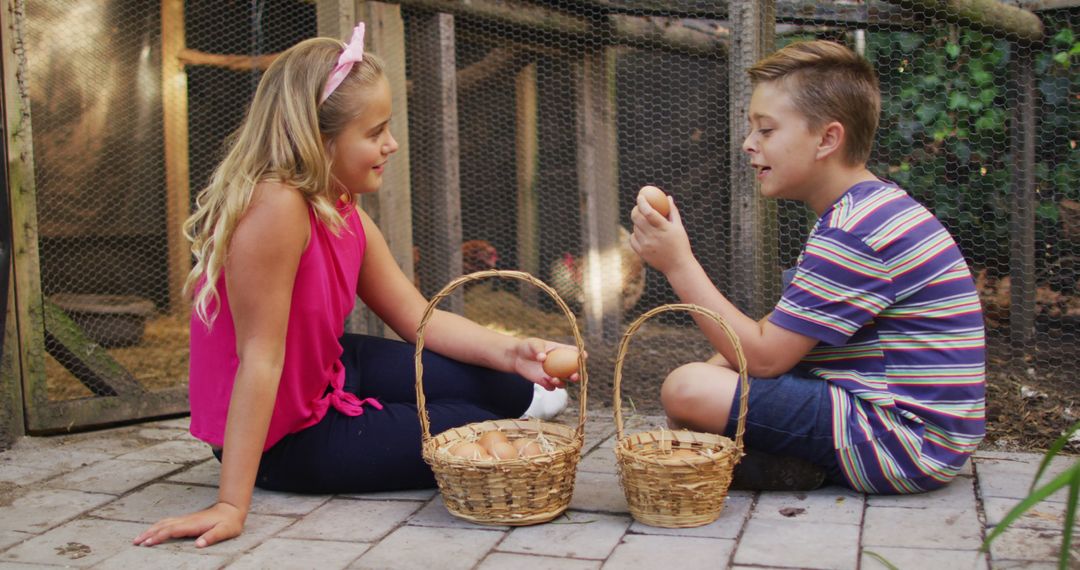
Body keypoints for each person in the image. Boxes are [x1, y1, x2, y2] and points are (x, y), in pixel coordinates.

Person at [134, 24, 575, 548]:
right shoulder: (275, 207)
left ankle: (510, 399)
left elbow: (418, 317)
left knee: (508, 387)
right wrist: (232, 503)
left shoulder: (343, 209)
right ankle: (459, 423)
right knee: (475, 430)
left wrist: (513, 352)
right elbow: (259, 358)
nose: (390, 145)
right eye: (374, 133)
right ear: (320, 141)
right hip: (284, 435)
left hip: (328, 369)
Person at [630, 40, 985, 494]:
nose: (748, 145)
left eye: (766, 130)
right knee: (700, 391)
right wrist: (718, 378)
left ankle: (765, 464)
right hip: (921, 438)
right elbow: (785, 330)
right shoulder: (863, 211)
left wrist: (676, 263)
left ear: (827, 139)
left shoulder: (856, 230)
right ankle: (781, 466)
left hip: (906, 443)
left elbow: (764, 356)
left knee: (686, 389)